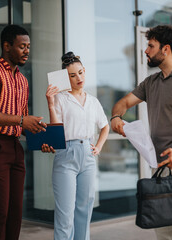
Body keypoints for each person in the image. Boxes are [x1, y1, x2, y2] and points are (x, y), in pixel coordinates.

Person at [111, 25, 172, 240]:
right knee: (162, 226)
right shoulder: (151, 82)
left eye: (150, 46)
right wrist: (116, 117)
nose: (146, 50)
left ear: (165, 49)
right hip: (160, 162)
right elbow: (123, 103)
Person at [0, 25, 47, 240]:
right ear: (7, 46)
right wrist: (22, 120)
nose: (27, 51)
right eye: (22, 46)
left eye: (28, 47)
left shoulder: (22, 80)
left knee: (14, 214)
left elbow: (22, 123)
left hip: (14, 147)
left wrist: (40, 140)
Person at [42, 52, 109, 240]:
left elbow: (105, 127)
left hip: (87, 155)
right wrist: (50, 103)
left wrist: (98, 147)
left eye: (80, 73)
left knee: (84, 211)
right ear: (66, 77)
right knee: (65, 214)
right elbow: (56, 130)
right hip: (66, 155)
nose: (78, 78)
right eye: (73, 75)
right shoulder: (61, 99)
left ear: (84, 71)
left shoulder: (93, 101)